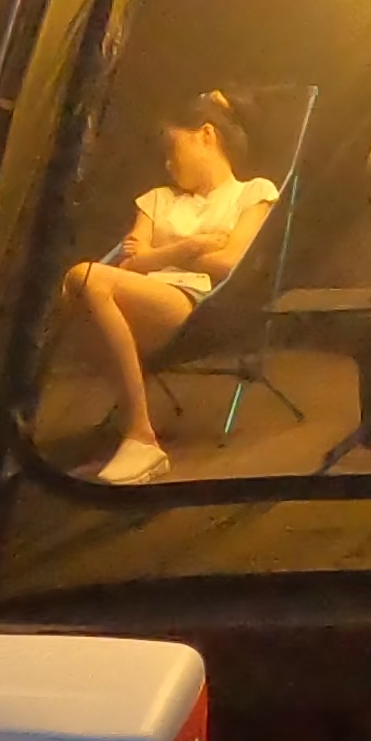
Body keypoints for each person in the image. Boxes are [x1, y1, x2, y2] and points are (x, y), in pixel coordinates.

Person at [55, 90, 277, 485]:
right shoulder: (157, 199)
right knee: (77, 290)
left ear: (206, 135)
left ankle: (141, 435)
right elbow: (129, 264)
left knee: (83, 278)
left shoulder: (252, 192)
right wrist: (187, 248)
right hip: (139, 295)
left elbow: (230, 263)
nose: (168, 164)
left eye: (172, 149)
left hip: (194, 304)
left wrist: (155, 255)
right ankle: (131, 426)